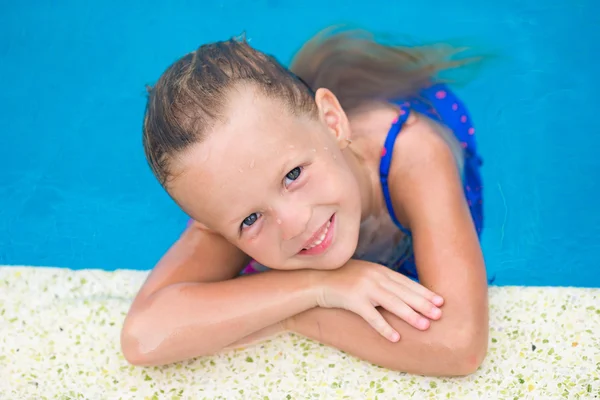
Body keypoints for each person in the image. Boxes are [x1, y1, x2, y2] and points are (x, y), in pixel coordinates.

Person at [121, 27, 489, 377]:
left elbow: (459, 344)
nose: (294, 223)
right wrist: (317, 289)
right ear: (208, 225)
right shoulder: (229, 192)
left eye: (293, 175)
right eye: (250, 220)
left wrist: (293, 316)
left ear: (333, 123)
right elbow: (143, 336)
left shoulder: (413, 157)